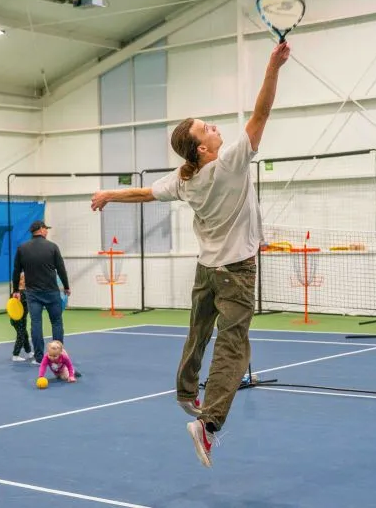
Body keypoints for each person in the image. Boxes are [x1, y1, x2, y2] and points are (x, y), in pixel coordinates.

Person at [90, 42, 291, 468]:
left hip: (206, 270)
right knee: (233, 345)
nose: (215, 128)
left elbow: (145, 193)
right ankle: (209, 422)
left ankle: (186, 391)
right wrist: (273, 67)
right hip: (236, 270)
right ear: (202, 148)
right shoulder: (230, 163)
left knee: (198, 332)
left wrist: (109, 193)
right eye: (207, 128)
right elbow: (261, 114)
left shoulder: (185, 177)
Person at [12, 220, 71, 364]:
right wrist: (66, 286)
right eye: (46, 229)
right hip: (51, 292)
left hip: (33, 294)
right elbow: (61, 269)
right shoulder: (52, 247)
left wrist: (16, 290)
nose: (47, 231)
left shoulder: (22, 248)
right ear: (41, 229)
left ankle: (39, 358)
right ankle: (57, 356)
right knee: (56, 322)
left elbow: (16, 271)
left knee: (36, 323)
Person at [10, 272, 33, 362]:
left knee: (24, 334)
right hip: (18, 319)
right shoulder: (21, 293)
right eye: (23, 279)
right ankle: (15, 355)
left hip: (21, 319)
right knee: (21, 335)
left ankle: (29, 352)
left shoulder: (15, 292)